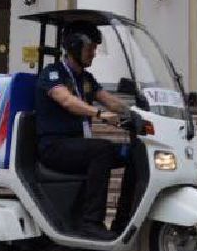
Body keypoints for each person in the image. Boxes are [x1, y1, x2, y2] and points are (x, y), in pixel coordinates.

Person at [35, 22, 134, 239]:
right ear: (74, 47)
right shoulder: (53, 74)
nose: (94, 54)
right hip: (54, 147)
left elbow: (110, 101)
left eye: (96, 49)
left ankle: (124, 221)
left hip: (77, 147)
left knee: (135, 153)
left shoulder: (86, 79)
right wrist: (97, 114)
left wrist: (136, 113)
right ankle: (91, 223)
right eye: (90, 49)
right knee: (102, 150)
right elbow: (67, 100)